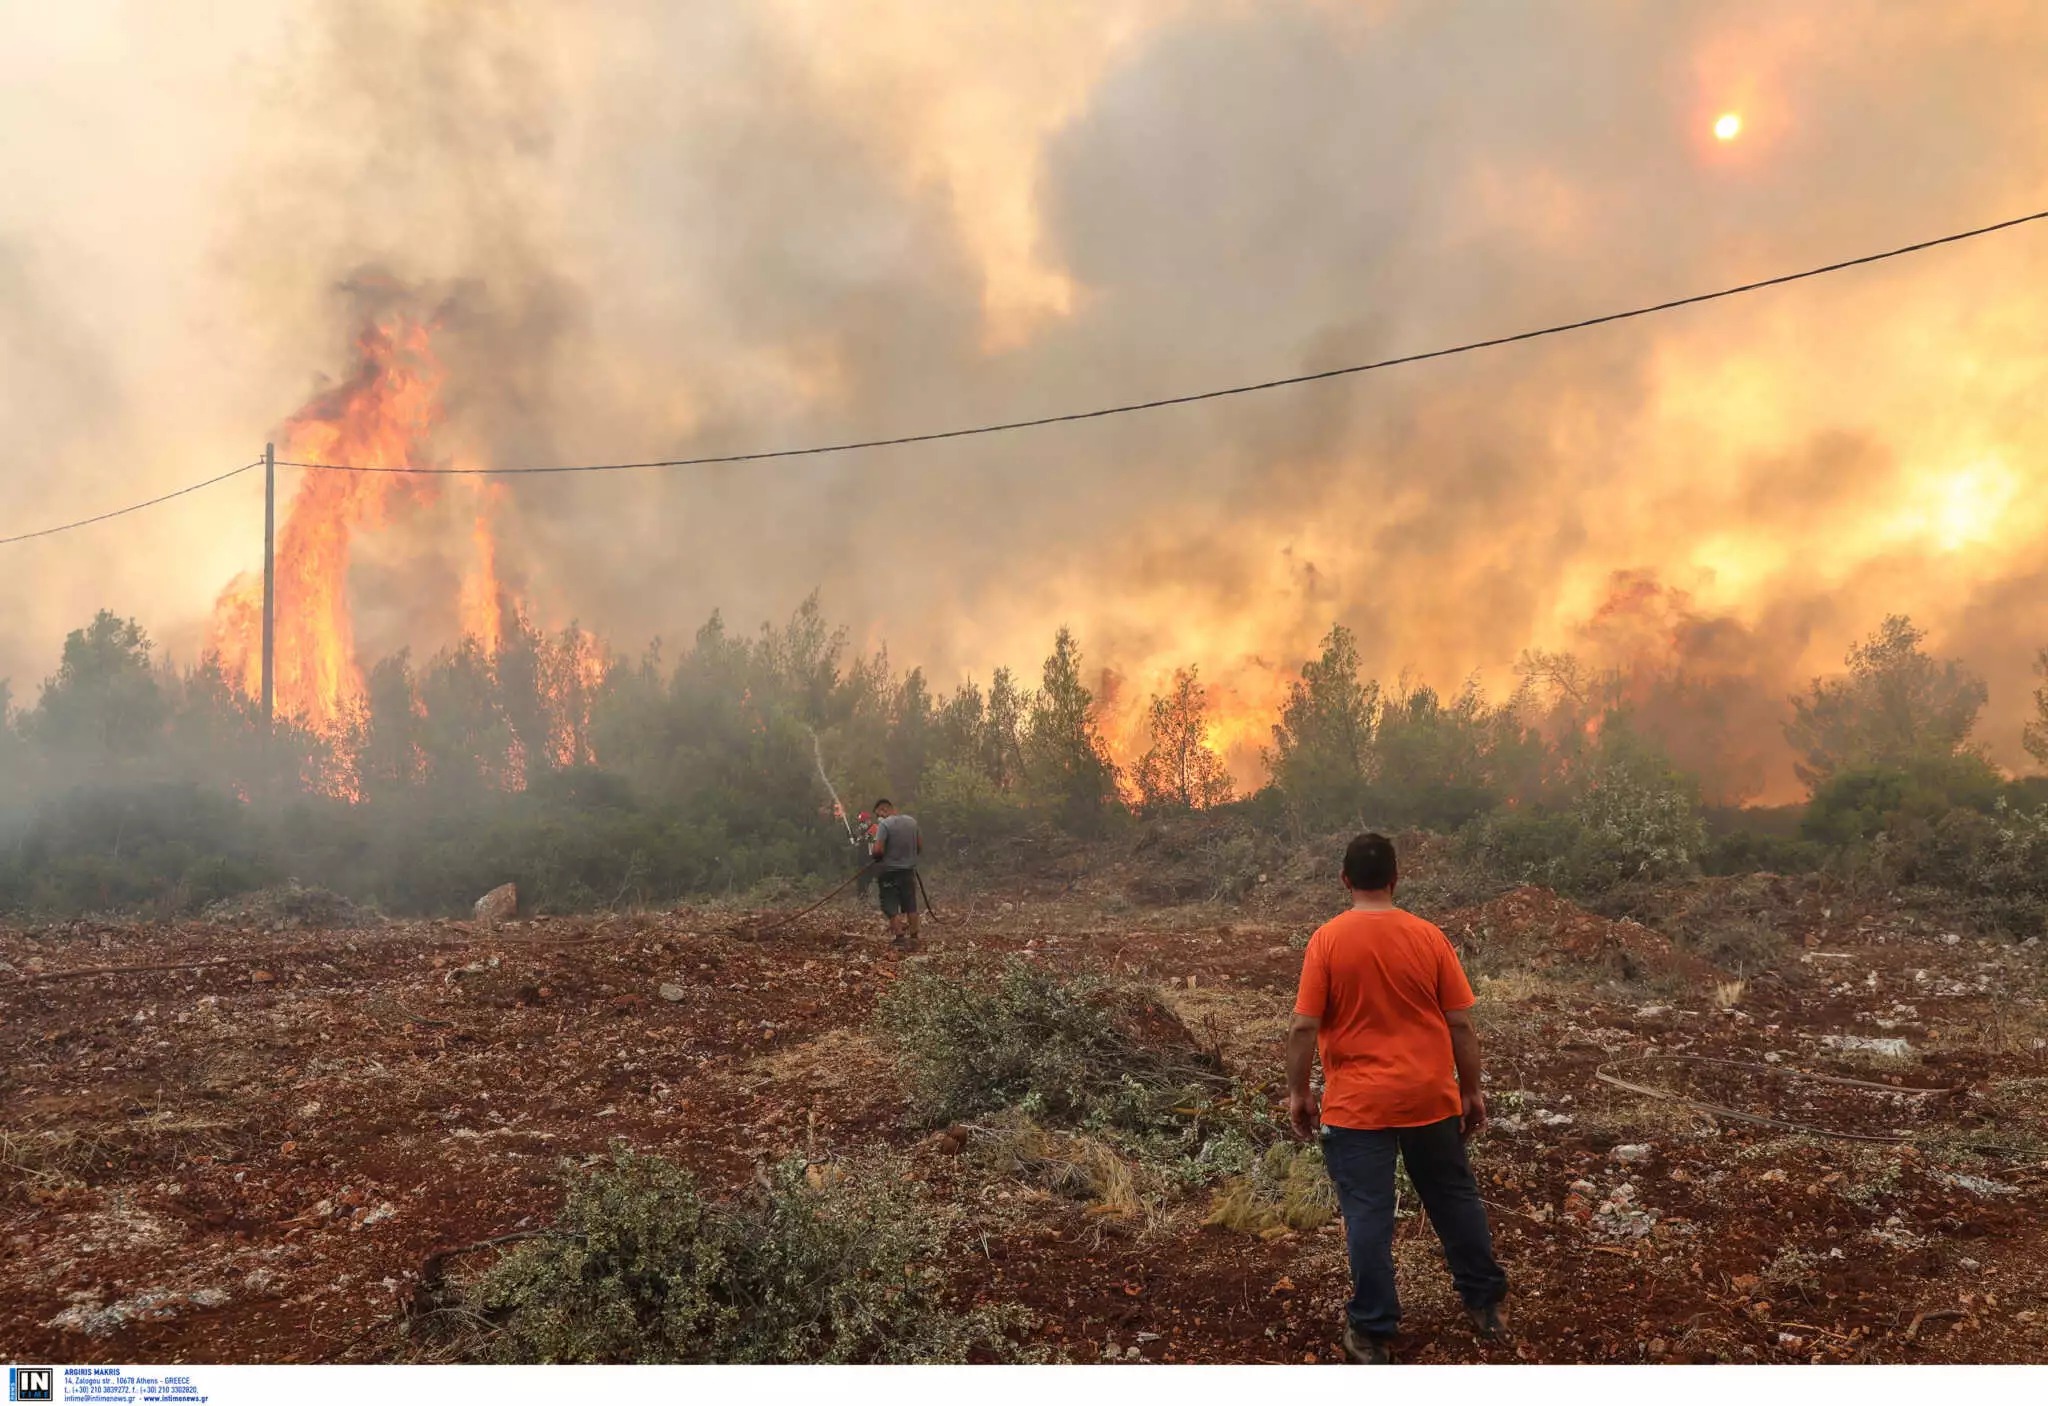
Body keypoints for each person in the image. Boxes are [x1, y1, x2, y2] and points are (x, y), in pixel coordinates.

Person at [1286, 832, 1507, 1364]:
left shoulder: (1328, 940)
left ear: (1344, 880)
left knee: (1368, 1215)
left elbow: (1302, 1027)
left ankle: (1372, 1330)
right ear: (1394, 879)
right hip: (1429, 1098)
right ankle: (1486, 1306)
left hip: (1359, 1107)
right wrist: (1469, 1089)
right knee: (1453, 1199)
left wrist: (1298, 1091)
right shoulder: (1429, 937)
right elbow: (1460, 1023)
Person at [868, 798, 922, 948]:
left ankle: (899, 937)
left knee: (890, 904)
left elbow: (878, 850)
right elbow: (919, 846)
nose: (879, 817)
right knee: (910, 904)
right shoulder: (912, 822)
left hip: (889, 872)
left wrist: (876, 857)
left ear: (884, 810)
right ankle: (914, 936)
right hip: (908, 871)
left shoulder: (884, 825)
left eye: (879, 814)